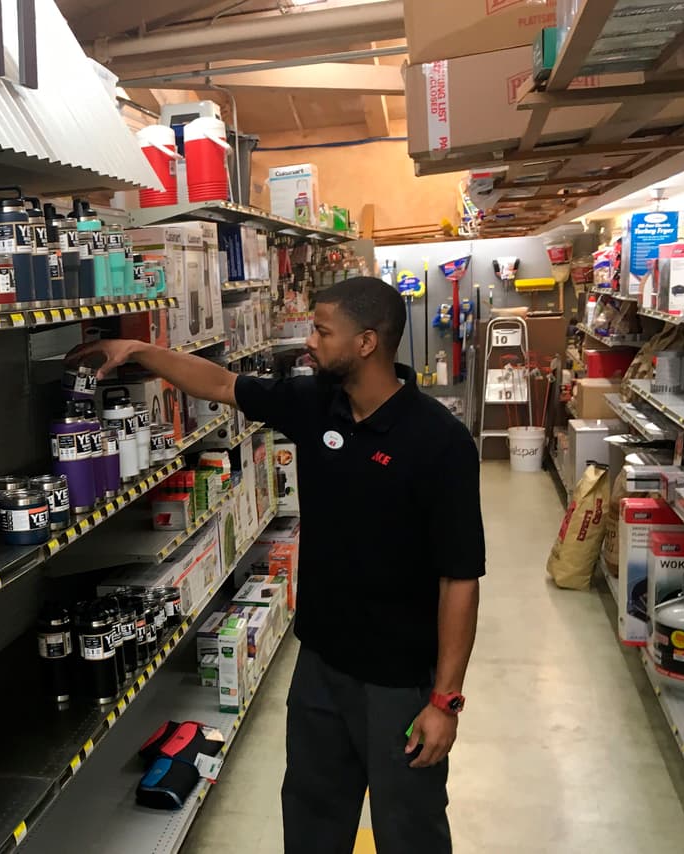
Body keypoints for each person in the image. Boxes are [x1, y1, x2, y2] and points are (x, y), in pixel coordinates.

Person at [66, 276, 484, 854]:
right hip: (320, 668)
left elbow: (460, 576)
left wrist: (445, 700)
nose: (308, 340)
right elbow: (220, 382)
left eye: (321, 330)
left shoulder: (440, 442)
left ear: (366, 343)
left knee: (409, 831)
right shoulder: (318, 404)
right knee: (311, 820)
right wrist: (139, 351)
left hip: (400, 684)